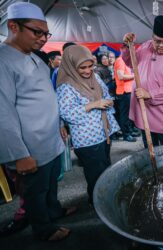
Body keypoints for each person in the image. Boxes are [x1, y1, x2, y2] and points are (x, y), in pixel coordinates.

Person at [0, 2, 74, 241]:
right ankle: (43, 229)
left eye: (46, 33)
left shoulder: (33, 56)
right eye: (37, 32)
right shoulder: (3, 60)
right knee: (35, 191)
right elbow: (3, 112)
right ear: (13, 26)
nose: (43, 38)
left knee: (51, 185)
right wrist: (19, 154)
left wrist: (60, 123)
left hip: (50, 139)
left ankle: (54, 211)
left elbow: (47, 97)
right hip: (29, 147)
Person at [56, 45, 120, 204]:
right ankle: (98, 202)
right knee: (95, 173)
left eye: (90, 65)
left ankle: (106, 197)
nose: (87, 70)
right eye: (82, 68)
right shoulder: (66, 86)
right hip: (87, 139)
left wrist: (109, 101)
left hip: (104, 132)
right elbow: (66, 112)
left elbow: (106, 94)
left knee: (105, 167)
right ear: (71, 66)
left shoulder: (95, 77)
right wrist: (93, 104)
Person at [122, 15, 163, 147]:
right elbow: (130, 62)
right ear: (152, 37)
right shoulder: (144, 48)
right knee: (150, 150)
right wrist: (127, 47)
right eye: (157, 41)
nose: (161, 45)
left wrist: (150, 94)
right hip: (143, 111)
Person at [114, 54, 138, 142]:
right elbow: (120, 76)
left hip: (129, 91)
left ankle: (130, 131)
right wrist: (135, 76)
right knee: (125, 114)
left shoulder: (127, 61)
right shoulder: (120, 60)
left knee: (130, 113)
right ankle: (126, 134)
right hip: (123, 92)